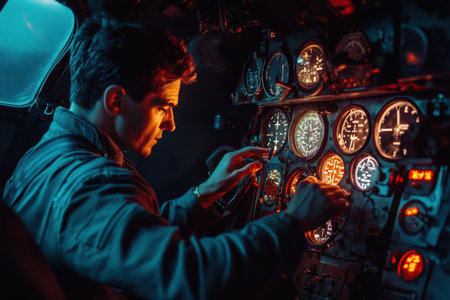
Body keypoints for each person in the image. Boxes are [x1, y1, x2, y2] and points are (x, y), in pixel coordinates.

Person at [3, 14, 349, 300]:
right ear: (115, 102)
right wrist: (293, 221)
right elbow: (191, 277)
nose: (169, 124)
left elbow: (120, 239)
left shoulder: (42, 157)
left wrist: (204, 194)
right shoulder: (95, 184)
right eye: (162, 107)